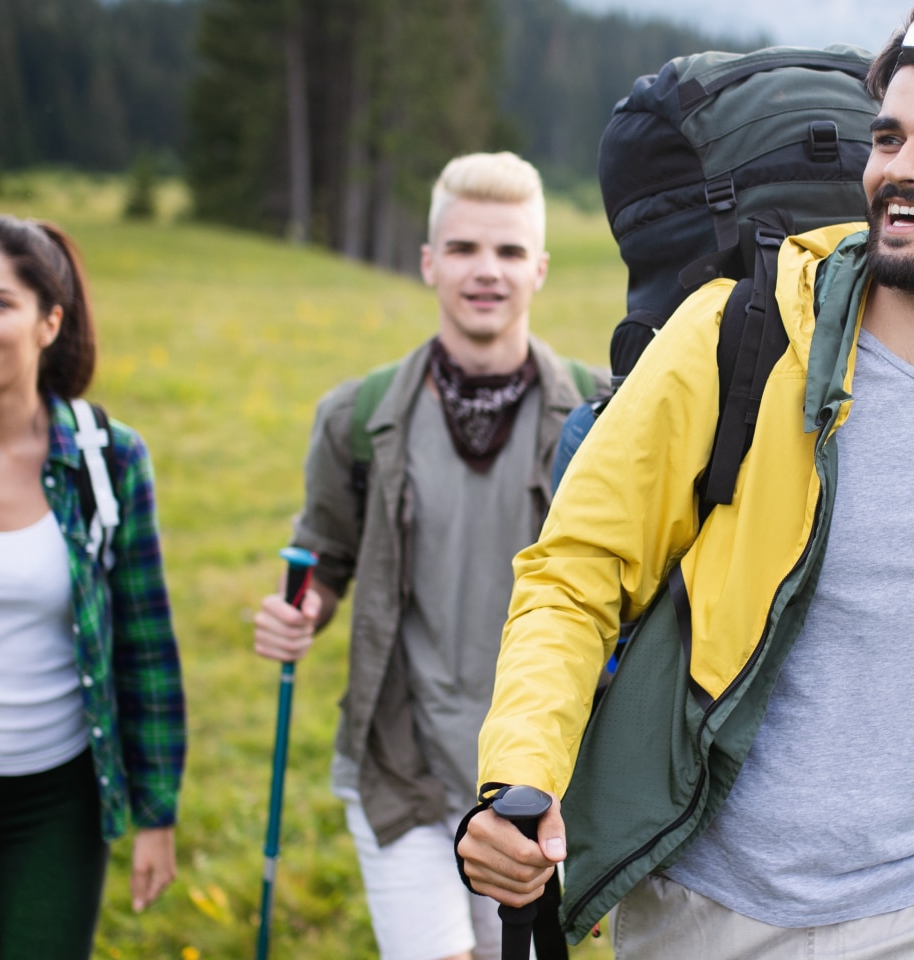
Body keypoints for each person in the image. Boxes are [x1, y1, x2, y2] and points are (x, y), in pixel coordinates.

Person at [456, 4, 914, 959]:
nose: (900, 168)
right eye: (889, 135)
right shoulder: (738, 338)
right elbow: (575, 575)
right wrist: (520, 776)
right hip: (706, 910)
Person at [251, 151, 599, 960]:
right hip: (400, 762)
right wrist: (300, 607)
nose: (488, 271)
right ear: (429, 262)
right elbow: (323, 555)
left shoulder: (596, 416)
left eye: (510, 251)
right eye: (466, 249)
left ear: (540, 268)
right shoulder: (356, 416)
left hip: (531, 769)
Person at [0, 215, 185, 958]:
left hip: (54, 799)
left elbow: (145, 645)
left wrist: (156, 814)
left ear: (48, 322)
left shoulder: (109, 459)